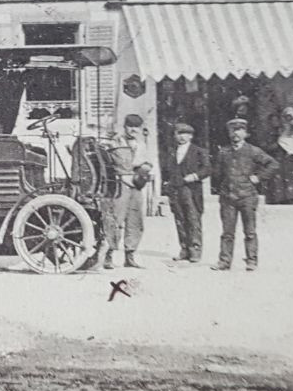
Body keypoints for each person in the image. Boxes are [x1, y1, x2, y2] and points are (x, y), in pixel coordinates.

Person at [212, 117, 280, 272]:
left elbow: (273, 164)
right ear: (229, 133)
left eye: (239, 130)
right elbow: (217, 172)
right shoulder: (224, 151)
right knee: (227, 232)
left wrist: (258, 177)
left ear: (245, 133)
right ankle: (224, 261)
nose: (235, 134)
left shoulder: (253, 151)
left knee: (249, 231)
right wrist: (222, 186)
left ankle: (251, 260)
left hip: (247, 197)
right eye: (232, 131)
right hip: (228, 197)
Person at [99, 114, 152, 269]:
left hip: (136, 184)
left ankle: (130, 255)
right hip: (119, 183)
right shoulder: (115, 141)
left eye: (136, 127)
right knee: (116, 219)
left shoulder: (142, 144)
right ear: (124, 127)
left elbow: (148, 162)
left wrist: (144, 170)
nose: (133, 130)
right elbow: (110, 161)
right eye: (130, 126)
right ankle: (109, 255)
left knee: (135, 220)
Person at [162, 121, 213, 263]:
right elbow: (167, 170)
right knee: (180, 219)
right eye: (179, 133)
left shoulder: (199, 151)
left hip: (192, 191)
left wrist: (195, 176)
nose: (182, 137)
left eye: (186, 134)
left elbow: (207, 169)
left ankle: (195, 250)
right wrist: (167, 183)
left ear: (191, 136)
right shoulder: (171, 152)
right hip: (176, 190)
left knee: (193, 220)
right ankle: (184, 249)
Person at [264, 105, 293, 205]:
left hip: (287, 156)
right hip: (278, 156)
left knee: (289, 176)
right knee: (277, 178)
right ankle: (277, 197)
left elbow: (292, 140)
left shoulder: (292, 129)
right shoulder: (275, 132)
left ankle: (291, 197)